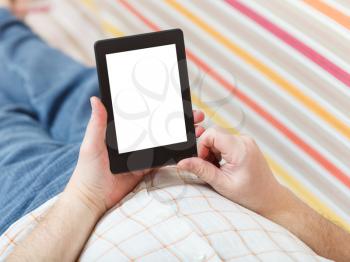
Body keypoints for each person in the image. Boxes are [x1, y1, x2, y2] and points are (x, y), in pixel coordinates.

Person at [0, 1, 349, 261]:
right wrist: (275, 202)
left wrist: (85, 197)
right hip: (177, 167)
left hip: (51, 213)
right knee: (69, 82)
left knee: (7, 121)